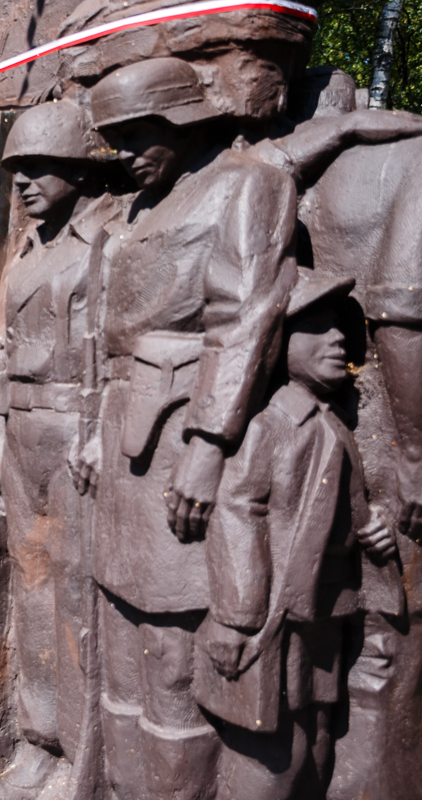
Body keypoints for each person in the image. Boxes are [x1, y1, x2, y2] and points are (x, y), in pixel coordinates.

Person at [87, 57, 297, 799]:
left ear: (180, 120)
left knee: (174, 644)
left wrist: (208, 446)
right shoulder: (137, 209)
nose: (124, 153)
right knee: (121, 633)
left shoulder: (247, 184)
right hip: (123, 438)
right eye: (114, 139)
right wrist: (93, 429)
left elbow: (247, 320)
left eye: (136, 134)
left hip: (183, 435)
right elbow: (106, 337)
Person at [196, 269, 403, 799]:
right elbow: (236, 512)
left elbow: (350, 508)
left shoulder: (335, 426)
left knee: (318, 739)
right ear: (280, 344)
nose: (337, 339)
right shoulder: (269, 428)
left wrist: (372, 531)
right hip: (278, 619)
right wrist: (238, 616)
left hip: (327, 613)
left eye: (339, 327)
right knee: (276, 753)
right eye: (318, 327)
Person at [0, 99, 121, 798]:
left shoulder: (107, 244)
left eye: (40, 167)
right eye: (17, 170)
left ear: (79, 169)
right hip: (26, 437)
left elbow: (119, 356)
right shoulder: (25, 254)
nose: (24, 182)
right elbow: (2, 356)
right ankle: (37, 740)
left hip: (75, 434)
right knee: (32, 591)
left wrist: (98, 436)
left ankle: (77, 756)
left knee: (76, 595)